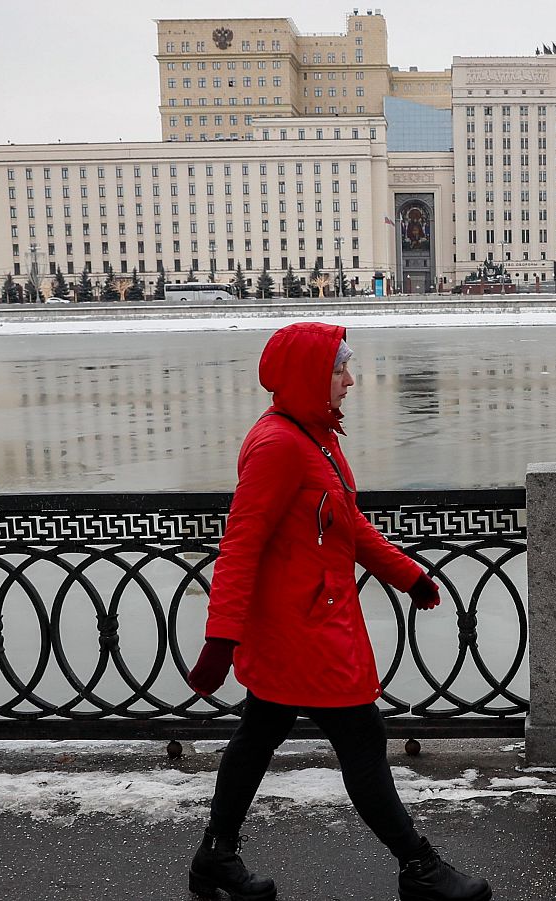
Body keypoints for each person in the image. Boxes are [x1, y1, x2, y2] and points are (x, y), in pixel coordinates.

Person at [186, 322, 491, 901]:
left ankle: (215, 860)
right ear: (309, 376)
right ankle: (420, 868)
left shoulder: (314, 438)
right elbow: (240, 545)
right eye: (339, 369)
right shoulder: (279, 446)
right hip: (302, 633)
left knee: (258, 737)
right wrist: (220, 638)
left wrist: (405, 574)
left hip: (310, 623)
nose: (351, 380)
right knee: (361, 735)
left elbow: (346, 523)